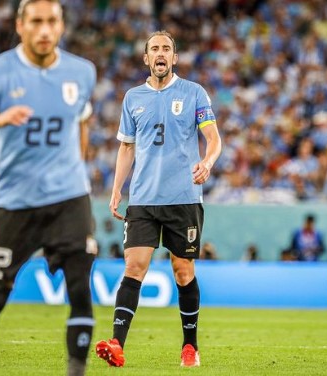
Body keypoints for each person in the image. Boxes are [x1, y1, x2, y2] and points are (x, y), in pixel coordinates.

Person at [0, 1, 97, 375]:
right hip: (16, 201)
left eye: (52, 21)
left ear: (62, 25)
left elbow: (82, 119)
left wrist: (76, 166)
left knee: (81, 287)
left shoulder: (82, 73)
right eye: (36, 22)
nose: (45, 30)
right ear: (20, 25)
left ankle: (76, 370)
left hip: (69, 197)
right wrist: (0, 118)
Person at [95, 30, 222, 368]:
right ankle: (117, 345)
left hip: (183, 198)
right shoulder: (132, 97)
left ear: (175, 58)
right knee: (134, 266)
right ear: (146, 58)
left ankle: (190, 347)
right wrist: (116, 190)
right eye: (155, 49)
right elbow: (126, 147)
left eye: (167, 48)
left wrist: (207, 163)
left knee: (182, 270)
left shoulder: (194, 93)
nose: (161, 53)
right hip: (143, 200)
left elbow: (213, 138)